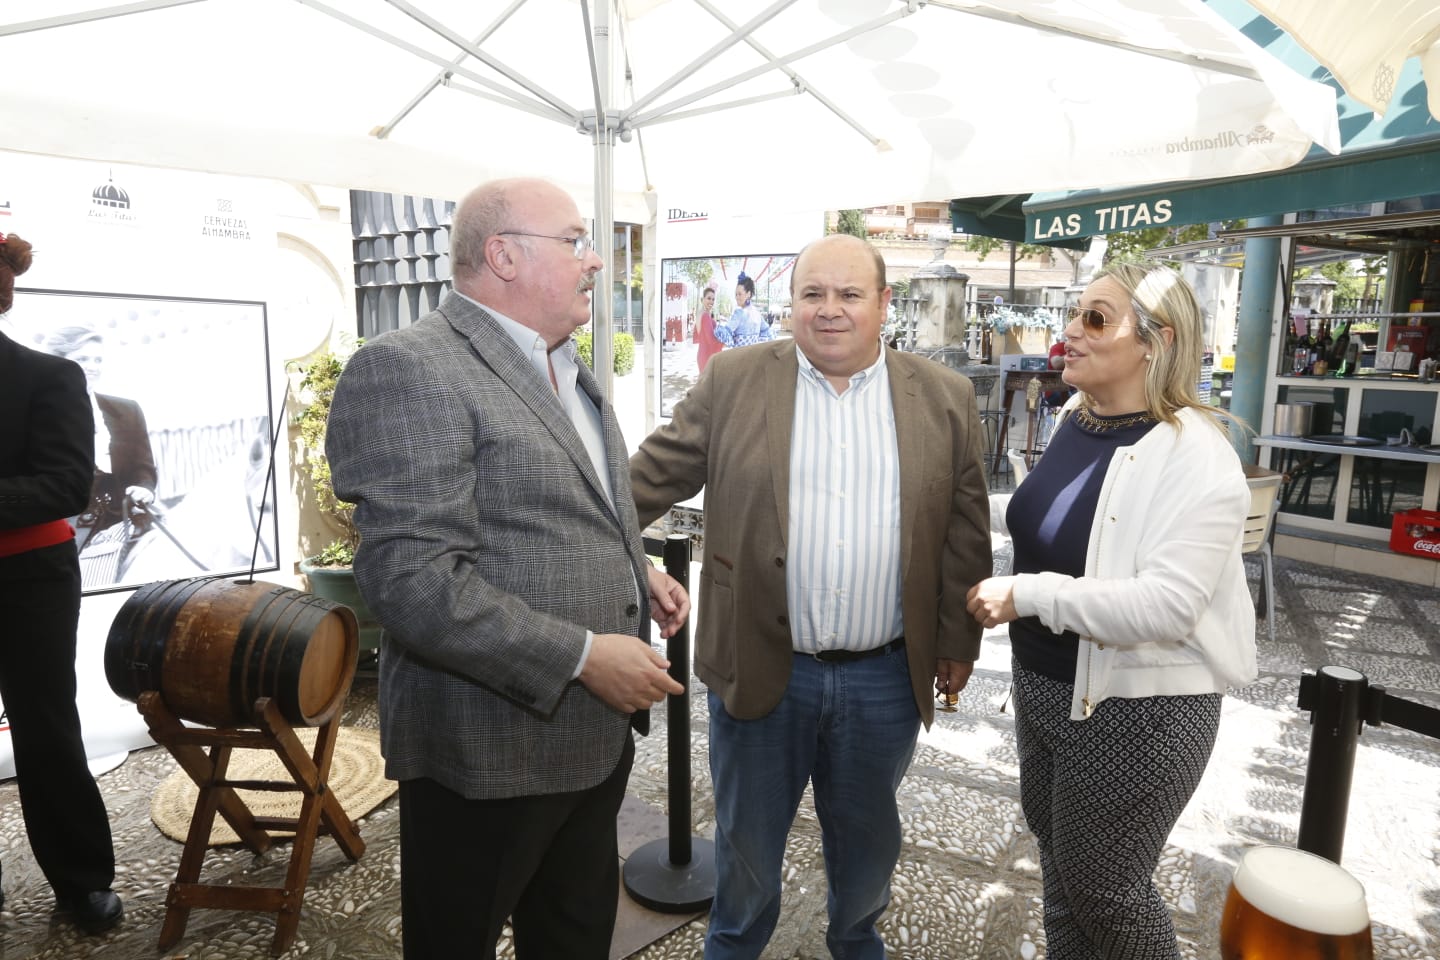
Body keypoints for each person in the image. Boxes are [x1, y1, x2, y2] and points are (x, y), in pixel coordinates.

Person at [325, 178, 689, 960]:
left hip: (587, 743)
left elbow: (574, 502)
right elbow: (414, 583)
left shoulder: (561, 362)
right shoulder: (411, 370)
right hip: (487, 752)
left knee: (573, 932)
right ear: (504, 255)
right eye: (576, 240)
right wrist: (586, 656)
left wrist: (635, 572)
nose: (596, 260)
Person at [630, 233, 992, 959]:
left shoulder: (944, 397)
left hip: (884, 676)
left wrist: (956, 642)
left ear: (884, 304)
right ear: (790, 303)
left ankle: (856, 943)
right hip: (765, 666)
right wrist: (629, 562)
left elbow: (964, 532)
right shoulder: (733, 380)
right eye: (812, 294)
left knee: (865, 857)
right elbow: (636, 484)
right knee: (747, 860)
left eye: (849, 295)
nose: (829, 311)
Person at [966, 262, 1257, 959]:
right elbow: (1066, 525)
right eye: (1075, 313)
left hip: (1139, 712)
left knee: (1110, 896)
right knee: (1065, 884)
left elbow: (1166, 606)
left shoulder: (1198, 457)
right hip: (1047, 690)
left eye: (1095, 318)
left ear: (1154, 341)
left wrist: (1025, 594)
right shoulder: (1078, 418)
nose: (1071, 330)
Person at [0, 231, 125, 934]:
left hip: (29, 576)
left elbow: (64, 486)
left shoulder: (48, 377)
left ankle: (81, 881)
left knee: (45, 727)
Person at [40, 325, 158, 586]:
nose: (92, 366)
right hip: (68, 525)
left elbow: (144, 467)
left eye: (98, 359)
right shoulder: (39, 412)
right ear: (58, 361)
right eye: (82, 359)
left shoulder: (126, 410)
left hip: (127, 518)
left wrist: (144, 488)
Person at [713, 270, 773, 348]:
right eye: (736, 294)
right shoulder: (757, 313)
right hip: (753, 356)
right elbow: (767, 331)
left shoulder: (739, 313)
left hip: (739, 357)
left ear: (748, 294)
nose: (736, 297)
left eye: (739, 294)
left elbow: (726, 333)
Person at [695, 282, 723, 373]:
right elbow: (711, 341)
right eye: (709, 298)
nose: (711, 301)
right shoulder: (705, 316)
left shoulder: (700, 313)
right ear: (703, 299)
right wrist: (725, 342)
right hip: (707, 356)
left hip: (703, 354)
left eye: (713, 299)